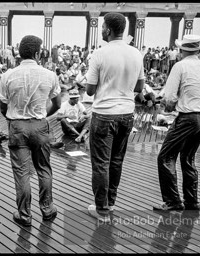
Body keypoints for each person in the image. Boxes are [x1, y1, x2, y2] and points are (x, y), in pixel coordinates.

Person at [85, 12, 144, 220]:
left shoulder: (99, 54)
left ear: (108, 29)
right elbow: (139, 86)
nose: (101, 30)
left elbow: (90, 90)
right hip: (127, 113)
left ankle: (101, 208)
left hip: (104, 114)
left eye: (102, 27)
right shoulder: (136, 53)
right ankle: (110, 204)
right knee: (117, 161)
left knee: (101, 162)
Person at [0, 35, 61, 227]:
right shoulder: (49, 75)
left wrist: (14, 119)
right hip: (40, 125)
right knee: (43, 168)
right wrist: (42, 115)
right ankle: (47, 209)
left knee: (22, 173)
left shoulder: (7, 75)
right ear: (37, 53)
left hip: (17, 126)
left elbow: (3, 108)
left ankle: (24, 215)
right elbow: (57, 104)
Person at [153, 34, 200, 211]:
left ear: (180, 51)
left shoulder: (179, 66)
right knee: (188, 158)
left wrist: (167, 106)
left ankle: (173, 201)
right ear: (199, 50)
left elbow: (170, 99)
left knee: (165, 157)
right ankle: (192, 201)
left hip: (188, 118)